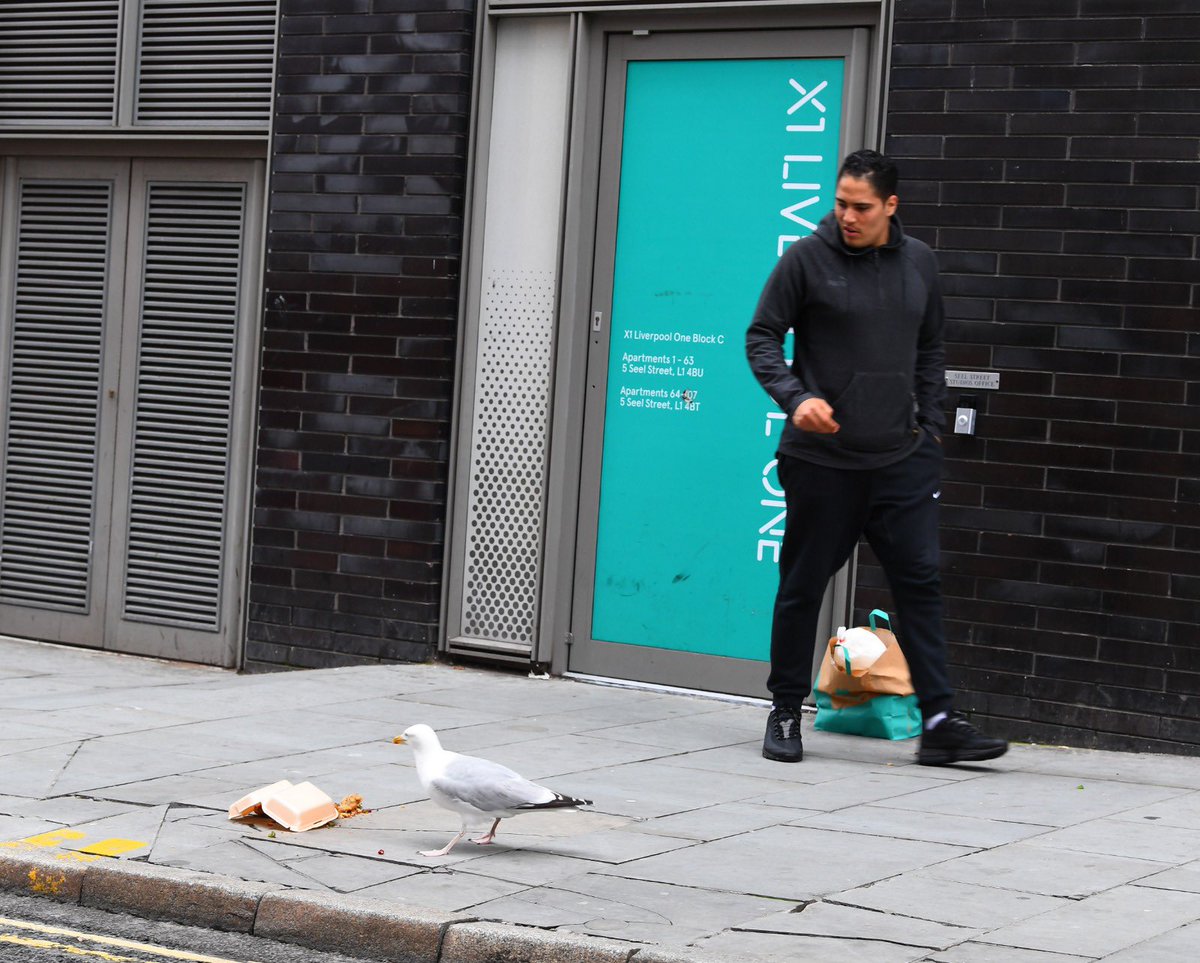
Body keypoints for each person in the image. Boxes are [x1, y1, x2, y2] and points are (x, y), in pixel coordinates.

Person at [745, 149, 1007, 767]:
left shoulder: (919, 262)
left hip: (900, 461)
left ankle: (939, 723)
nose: (847, 217)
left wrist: (931, 427)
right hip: (823, 461)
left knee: (921, 585)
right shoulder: (806, 260)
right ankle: (785, 709)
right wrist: (796, 396)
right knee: (803, 585)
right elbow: (761, 338)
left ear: (891, 205)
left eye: (861, 207)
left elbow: (931, 346)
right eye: (840, 204)